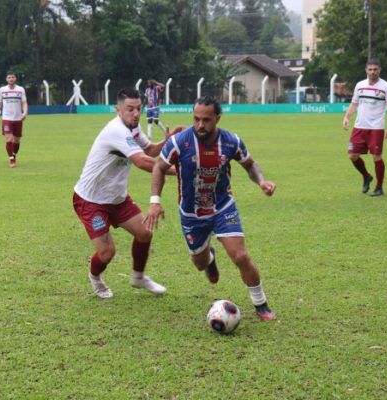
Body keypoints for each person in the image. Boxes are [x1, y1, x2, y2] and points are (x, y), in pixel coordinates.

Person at [144, 96, 277, 321]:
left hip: (222, 207)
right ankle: (209, 259)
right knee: (199, 263)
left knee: (241, 256)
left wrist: (261, 181)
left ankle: (261, 304)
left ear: (217, 118)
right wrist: (155, 201)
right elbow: (159, 167)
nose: (200, 125)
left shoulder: (231, 141)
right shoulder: (179, 142)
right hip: (191, 214)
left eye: (206, 120)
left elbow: (250, 164)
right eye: (196, 119)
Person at [73, 87, 177, 299]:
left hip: (117, 199)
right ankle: (96, 278)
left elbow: (149, 151)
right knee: (107, 253)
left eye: (139, 108)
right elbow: (141, 161)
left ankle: (138, 277)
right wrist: (179, 170)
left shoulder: (134, 128)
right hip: (91, 201)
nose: (136, 114)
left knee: (144, 233)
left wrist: (168, 141)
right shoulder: (116, 130)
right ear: (118, 109)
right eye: (130, 109)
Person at [342, 59, 387, 196]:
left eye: (375, 69)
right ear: (366, 70)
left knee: (377, 157)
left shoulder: (386, 86)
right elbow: (354, 103)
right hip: (359, 126)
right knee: (352, 155)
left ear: (380, 70)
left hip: (376, 128)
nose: (372, 72)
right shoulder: (360, 85)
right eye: (370, 69)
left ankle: (379, 187)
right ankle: (366, 176)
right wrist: (347, 117)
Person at [0, 71, 28, 168]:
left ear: (15, 78)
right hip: (6, 118)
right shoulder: (2, 90)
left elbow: (24, 102)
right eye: (9, 77)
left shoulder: (20, 89)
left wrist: (25, 112)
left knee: (16, 140)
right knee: (9, 139)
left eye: (13, 77)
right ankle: (11, 159)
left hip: (18, 118)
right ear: (6, 79)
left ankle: (14, 154)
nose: (11, 79)